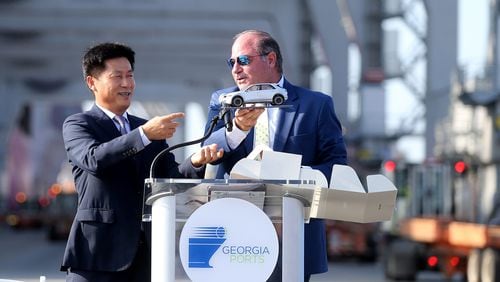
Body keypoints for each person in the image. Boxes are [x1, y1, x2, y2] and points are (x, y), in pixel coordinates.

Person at [60, 42, 223, 282]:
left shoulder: (146, 127)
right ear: (91, 83)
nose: (127, 84)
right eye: (117, 76)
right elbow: (93, 159)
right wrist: (144, 135)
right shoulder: (79, 124)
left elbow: (172, 177)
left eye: (130, 76)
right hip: (96, 256)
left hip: (145, 258)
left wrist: (197, 161)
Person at [202, 30, 347, 281]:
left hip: (293, 231)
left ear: (270, 60)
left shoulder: (315, 104)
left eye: (243, 60)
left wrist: (299, 176)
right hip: (236, 232)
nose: (235, 69)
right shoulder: (224, 100)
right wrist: (237, 129)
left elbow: (337, 165)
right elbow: (209, 151)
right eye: (231, 62)